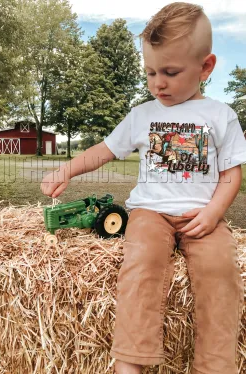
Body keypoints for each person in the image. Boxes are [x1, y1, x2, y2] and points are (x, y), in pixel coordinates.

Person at [41, 2, 246, 373]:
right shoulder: (142, 114)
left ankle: (216, 365)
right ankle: (131, 360)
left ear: (206, 66)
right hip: (150, 213)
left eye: (169, 71)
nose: (158, 83)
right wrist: (67, 169)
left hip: (203, 216)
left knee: (221, 272)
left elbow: (232, 173)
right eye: (150, 72)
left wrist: (214, 213)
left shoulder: (220, 115)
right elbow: (105, 150)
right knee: (141, 264)